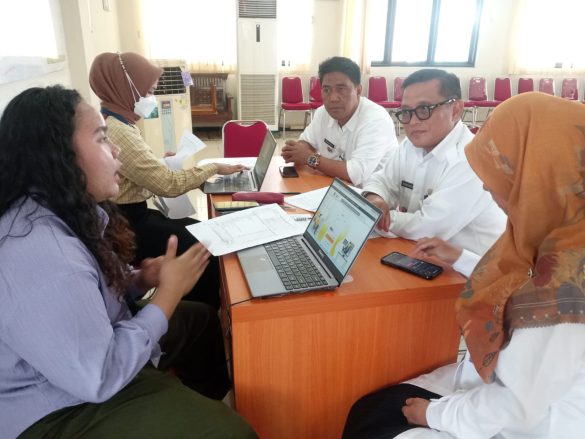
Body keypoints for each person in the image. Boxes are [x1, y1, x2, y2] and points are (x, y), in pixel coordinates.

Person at [0, 85, 257, 439]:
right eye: (101, 138)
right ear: (59, 156)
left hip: (89, 362)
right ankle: (177, 410)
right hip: (58, 408)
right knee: (231, 433)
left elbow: (91, 288)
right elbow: (100, 376)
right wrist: (167, 295)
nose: (116, 149)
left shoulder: (64, 209)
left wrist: (140, 279)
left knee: (198, 321)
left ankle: (188, 403)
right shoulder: (45, 254)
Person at [343, 92, 585, 438]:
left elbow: (517, 406)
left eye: (502, 165)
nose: (486, 183)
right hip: (497, 387)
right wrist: (461, 257)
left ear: (539, 171)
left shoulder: (568, 284)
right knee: (368, 410)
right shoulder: (558, 230)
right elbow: (515, 280)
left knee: (374, 425)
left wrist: (433, 414)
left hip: (525, 425)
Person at [89, 52, 246, 308]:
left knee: (198, 233)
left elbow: (134, 172)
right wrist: (212, 167)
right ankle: (200, 314)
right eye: (148, 92)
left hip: (129, 216)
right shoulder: (119, 131)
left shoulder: (120, 122)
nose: (151, 98)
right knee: (202, 248)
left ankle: (198, 308)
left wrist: (159, 163)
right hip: (126, 224)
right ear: (127, 88)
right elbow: (168, 185)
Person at [362, 69, 506, 258]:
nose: (412, 121)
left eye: (424, 109)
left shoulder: (472, 159)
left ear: (455, 110)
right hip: (420, 254)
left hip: (471, 269)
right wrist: (375, 199)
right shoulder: (410, 145)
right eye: (406, 112)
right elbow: (381, 180)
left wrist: (371, 215)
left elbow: (426, 228)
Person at [281, 56, 398, 187]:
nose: (333, 98)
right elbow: (306, 143)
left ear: (358, 90)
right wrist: (296, 151)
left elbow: (355, 174)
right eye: (326, 90)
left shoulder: (376, 120)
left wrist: (309, 158)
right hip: (333, 186)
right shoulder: (323, 112)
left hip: (369, 193)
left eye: (341, 89)